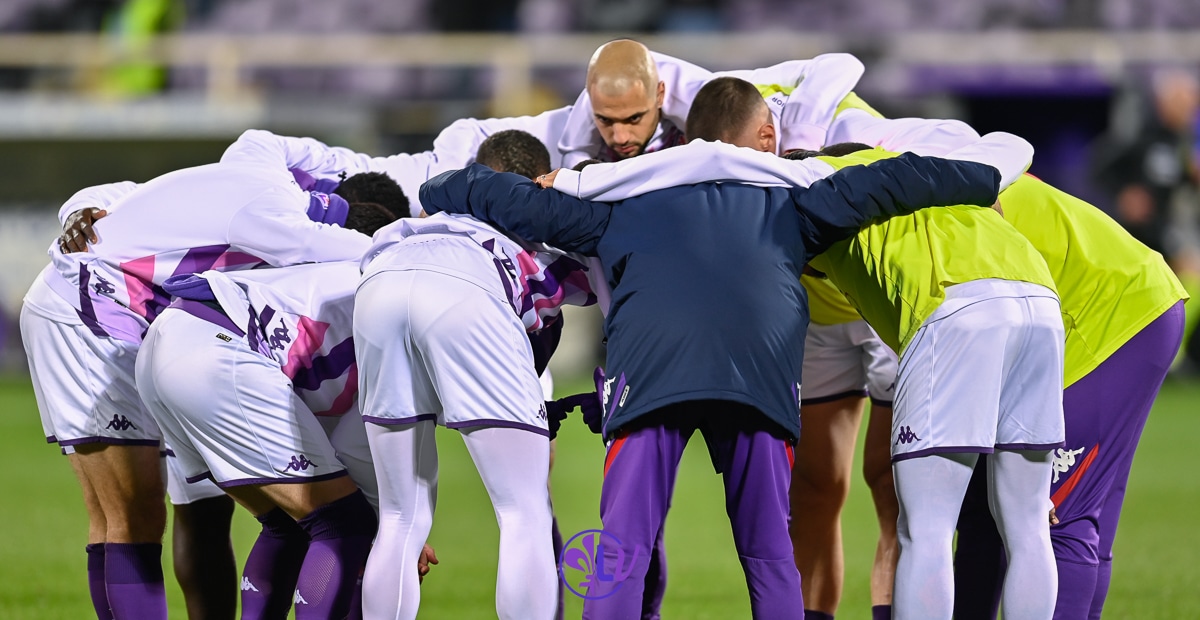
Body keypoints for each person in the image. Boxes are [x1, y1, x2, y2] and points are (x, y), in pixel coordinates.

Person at [419, 140, 1004, 619]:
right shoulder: (792, 205)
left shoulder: (618, 209)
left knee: (622, 548)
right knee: (770, 554)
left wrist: (435, 190)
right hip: (760, 373)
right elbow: (896, 178)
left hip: (653, 370)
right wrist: (982, 181)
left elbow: (509, 197)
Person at [543, 76, 1050, 620]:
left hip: (935, 315)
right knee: (1016, 524)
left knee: (916, 524)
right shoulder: (825, 183)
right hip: (1036, 303)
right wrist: (981, 180)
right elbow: (929, 158)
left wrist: (505, 186)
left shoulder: (681, 190)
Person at [19, 134, 406, 620]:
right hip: (94, 311)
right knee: (132, 517)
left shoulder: (253, 177)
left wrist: (83, 204)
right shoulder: (280, 219)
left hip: (132, 320)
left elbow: (128, 192)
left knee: (156, 513)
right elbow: (375, 254)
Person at [355, 130, 598, 620]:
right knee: (523, 511)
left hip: (380, 283)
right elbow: (605, 280)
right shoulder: (543, 224)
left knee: (400, 517)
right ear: (536, 181)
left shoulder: (430, 213)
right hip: (469, 290)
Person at [135, 209, 391, 619]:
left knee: (287, 523)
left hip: (167, 339)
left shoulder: (347, 274)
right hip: (216, 351)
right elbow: (368, 444)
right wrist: (393, 531)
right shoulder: (393, 296)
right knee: (342, 525)